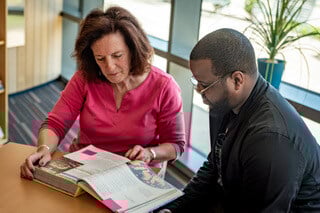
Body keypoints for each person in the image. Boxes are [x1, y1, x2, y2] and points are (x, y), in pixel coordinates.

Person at [158, 28, 320, 212]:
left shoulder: (271, 138)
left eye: (204, 84)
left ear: (237, 80)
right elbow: (214, 166)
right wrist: (175, 209)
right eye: (197, 83)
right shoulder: (223, 101)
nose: (199, 91)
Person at [20, 6, 186, 180]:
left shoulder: (164, 86)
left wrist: (150, 153)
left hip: (134, 174)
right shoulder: (84, 78)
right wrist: (44, 149)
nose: (110, 67)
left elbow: (175, 145)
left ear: (133, 49)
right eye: (100, 59)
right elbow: (56, 123)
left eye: (117, 55)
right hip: (84, 168)